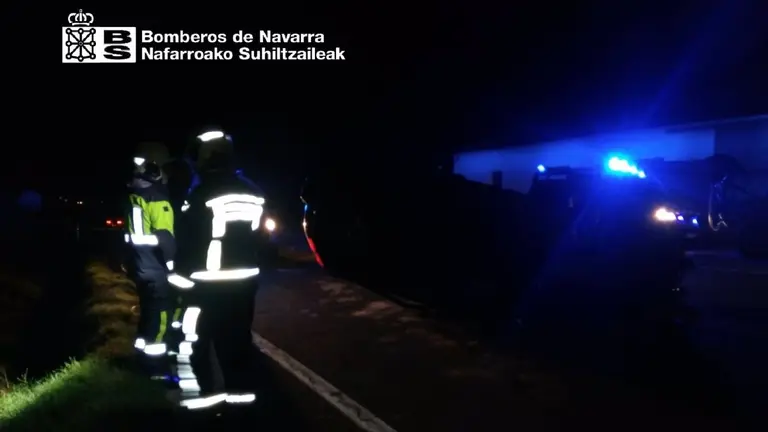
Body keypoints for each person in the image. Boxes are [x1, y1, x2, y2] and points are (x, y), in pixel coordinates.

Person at [167, 129, 270, 410]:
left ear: (204, 157)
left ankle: (204, 400)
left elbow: (188, 240)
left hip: (206, 284)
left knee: (194, 341)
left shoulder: (200, 194)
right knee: (237, 342)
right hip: (245, 282)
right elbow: (262, 238)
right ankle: (242, 401)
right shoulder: (253, 191)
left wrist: (177, 278)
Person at [124, 143, 181, 376]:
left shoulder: (135, 196)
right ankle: (155, 369)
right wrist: (173, 267)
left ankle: (142, 357)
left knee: (148, 314)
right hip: (157, 268)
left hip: (140, 266)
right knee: (161, 317)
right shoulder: (157, 197)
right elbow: (165, 238)